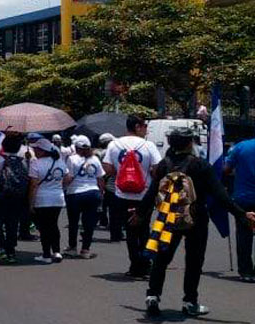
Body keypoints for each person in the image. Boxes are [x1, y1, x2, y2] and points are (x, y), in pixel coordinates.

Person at [134, 128, 255, 317]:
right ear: (190, 143)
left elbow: (151, 193)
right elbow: (220, 194)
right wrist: (241, 214)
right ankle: (190, 301)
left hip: (167, 219)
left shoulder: (163, 166)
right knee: (194, 261)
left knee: (161, 259)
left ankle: (152, 296)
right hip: (196, 219)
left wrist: (140, 213)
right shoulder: (200, 166)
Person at [102, 115, 162, 278]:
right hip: (144, 194)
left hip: (122, 193)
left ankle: (134, 265)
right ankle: (145, 263)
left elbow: (107, 168)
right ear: (137, 126)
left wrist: (121, 172)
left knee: (130, 231)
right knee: (144, 229)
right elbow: (157, 169)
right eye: (144, 126)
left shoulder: (114, 144)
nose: (146, 130)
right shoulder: (148, 145)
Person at [0, 132, 29, 264]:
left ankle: (0, 247)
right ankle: (11, 251)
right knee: (12, 223)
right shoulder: (23, 160)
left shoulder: (0, 159)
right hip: (17, 195)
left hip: (0, 194)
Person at [27, 134, 68, 264]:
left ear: (42, 150)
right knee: (53, 225)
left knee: (44, 228)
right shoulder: (60, 162)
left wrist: (30, 203)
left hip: (42, 198)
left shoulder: (36, 164)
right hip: (57, 197)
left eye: (36, 149)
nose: (34, 151)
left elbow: (33, 185)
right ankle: (57, 251)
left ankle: (46, 254)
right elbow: (67, 179)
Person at [63, 135, 105, 259]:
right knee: (89, 223)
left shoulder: (72, 159)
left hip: (75, 193)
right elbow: (100, 178)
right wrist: (101, 194)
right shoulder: (95, 159)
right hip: (93, 192)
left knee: (73, 222)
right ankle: (85, 249)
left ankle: (72, 247)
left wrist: (63, 184)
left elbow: (69, 177)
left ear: (77, 147)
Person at [224, 135, 255, 282]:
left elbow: (226, 169)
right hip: (245, 195)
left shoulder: (241, 147)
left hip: (244, 197)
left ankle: (246, 271)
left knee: (244, 235)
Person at [97, 133, 125, 241]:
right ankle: (118, 232)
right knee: (119, 211)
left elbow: (105, 171)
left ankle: (115, 233)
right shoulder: (113, 153)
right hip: (117, 185)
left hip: (110, 185)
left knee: (112, 211)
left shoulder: (103, 153)